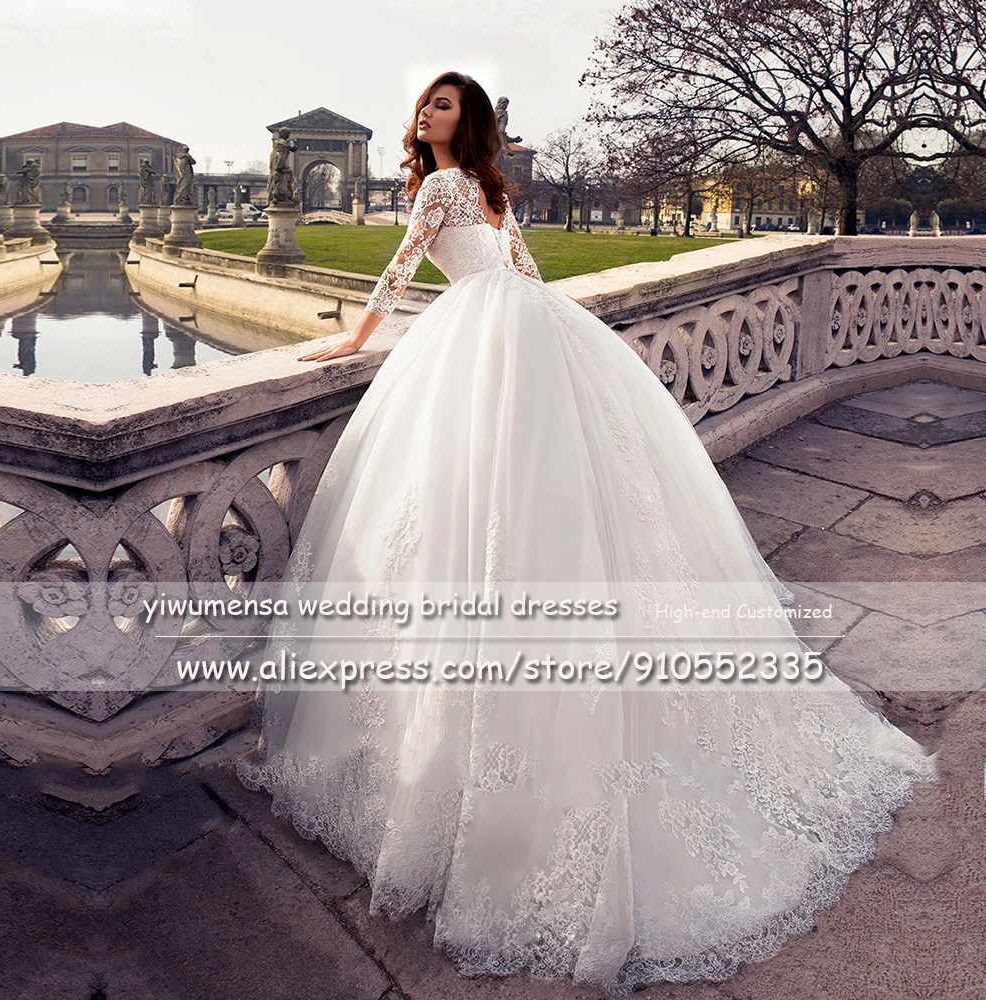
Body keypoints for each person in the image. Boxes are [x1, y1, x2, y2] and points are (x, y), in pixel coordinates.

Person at [235, 71, 937, 995]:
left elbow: (408, 268)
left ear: (471, 119)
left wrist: (358, 340)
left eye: (443, 106)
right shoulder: (470, 186)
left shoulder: (456, 187)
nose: (427, 115)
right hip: (518, 333)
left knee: (489, 504)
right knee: (534, 497)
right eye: (425, 105)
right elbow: (507, 271)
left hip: (493, 336)